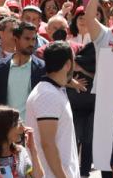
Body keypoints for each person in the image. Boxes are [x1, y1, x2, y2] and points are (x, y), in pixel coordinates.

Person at [25, 41, 79, 178]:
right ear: (68, 64)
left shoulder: (53, 91)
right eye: (74, 60)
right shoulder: (48, 95)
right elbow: (47, 143)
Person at [0, 21, 47, 116]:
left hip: (32, 128)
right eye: (27, 39)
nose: (31, 43)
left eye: (33, 39)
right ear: (16, 39)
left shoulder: (42, 68)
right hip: (5, 128)